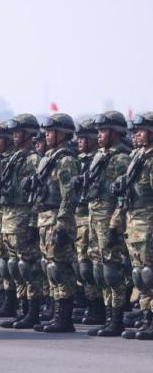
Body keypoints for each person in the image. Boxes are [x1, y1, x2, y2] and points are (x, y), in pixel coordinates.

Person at [79, 111, 131, 337]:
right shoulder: (100, 156)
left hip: (109, 219)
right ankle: (107, 316)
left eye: (103, 131)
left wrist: (114, 225)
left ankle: (116, 319)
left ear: (115, 133)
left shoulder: (122, 159)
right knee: (99, 269)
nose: (98, 135)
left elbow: (123, 196)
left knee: (112, 271)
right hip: (94, 216)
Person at [29, 113, 80, 333]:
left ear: (63, 135)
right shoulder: (48, 158)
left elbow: (68, 196)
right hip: (44, 218)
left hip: (57, 219)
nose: (47, 135)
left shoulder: (66, 160)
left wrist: (62, 224)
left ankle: (64, 317)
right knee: (49, 267)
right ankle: (55, 312)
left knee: (60, 268)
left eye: (51, 131)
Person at [0, 114, 42, 330]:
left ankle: (32, 312)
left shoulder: (34, 160)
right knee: (14, 266)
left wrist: (33, 222)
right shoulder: (15, 158)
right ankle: (22, 310)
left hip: (23, 217)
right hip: (9, 216)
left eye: (18, 132)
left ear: (29, 134)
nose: (14, 136)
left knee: (27, 267)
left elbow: (38, 194)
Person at [112, 112, 153, 340]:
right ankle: (146, 318)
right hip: (134, 220)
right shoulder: (138, 156)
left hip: (148, 220)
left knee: (149, 273)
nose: (136, 134)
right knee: (139, 274)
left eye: (140, 130)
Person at [71, 119, 106, 327]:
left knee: (96, 267)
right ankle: (90, 306)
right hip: (82, 216)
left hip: (95, 217)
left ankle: (100, 309)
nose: (79, 141)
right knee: (83, 267)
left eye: (84, 138)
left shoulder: (102, 160)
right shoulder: (85, 160)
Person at [0, 121, 18, 318]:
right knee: (0, 260)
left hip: (14, 214)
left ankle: (14, 301)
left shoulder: (15, 160)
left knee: (14, 262)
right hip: (0, 213)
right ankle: (2, 297)